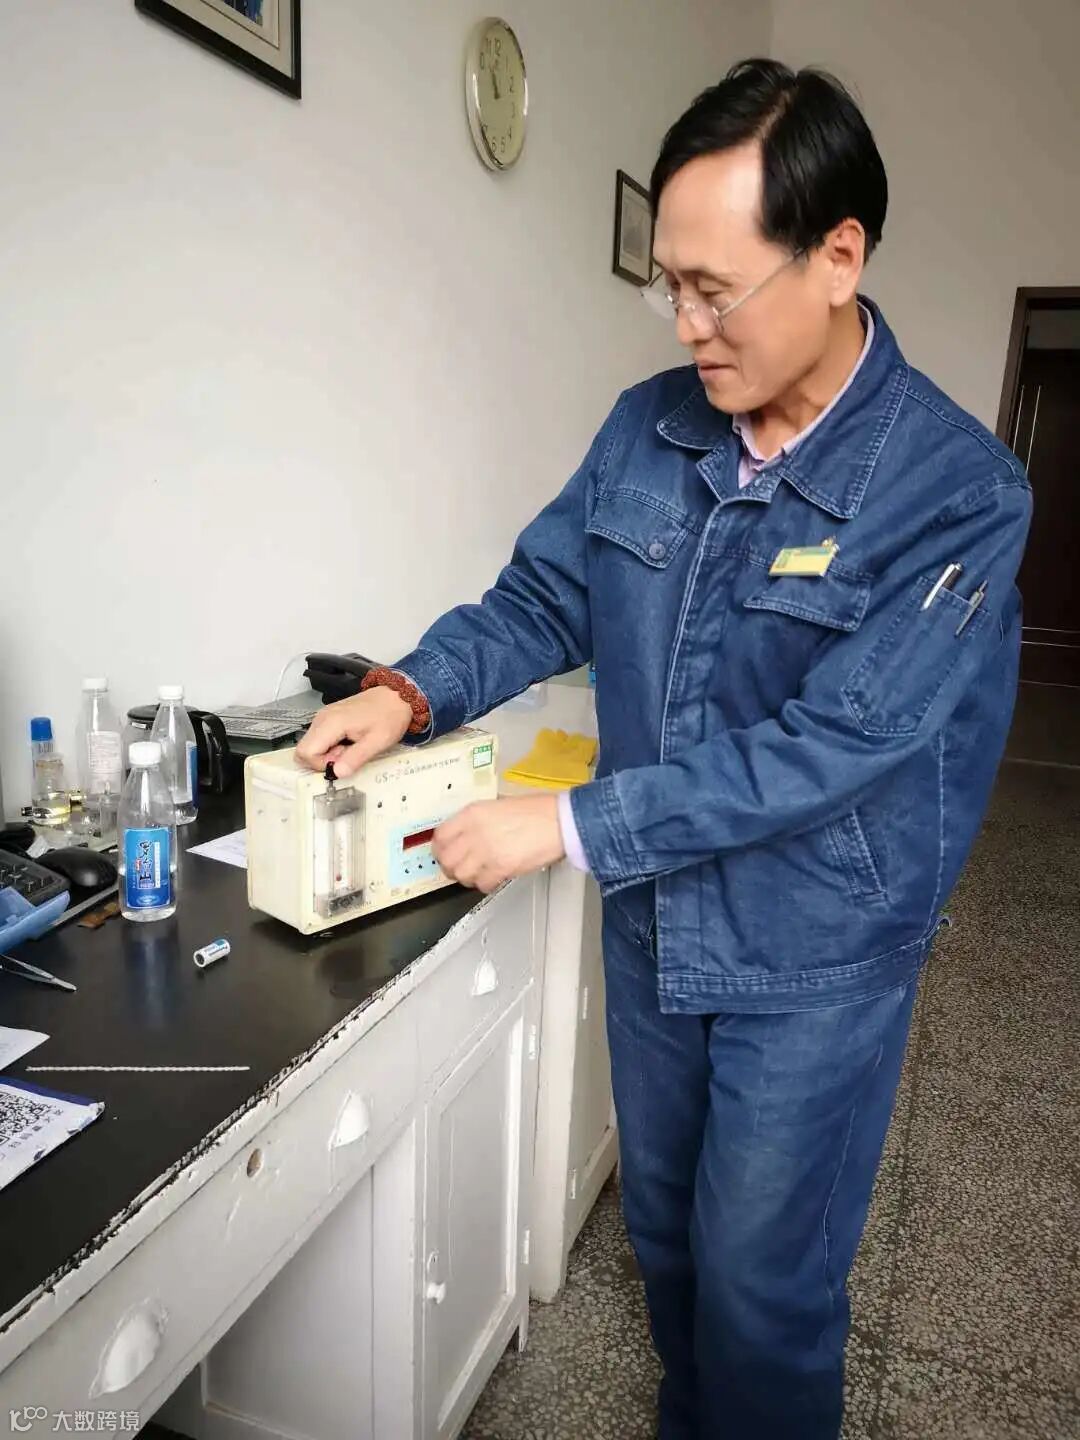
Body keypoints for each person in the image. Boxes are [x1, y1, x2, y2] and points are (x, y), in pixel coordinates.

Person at [298, 58, 1031, 1440]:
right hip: (655, 919)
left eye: (715, 290)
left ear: (838, 257)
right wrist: (409, 691)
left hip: (813, 947)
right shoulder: (649, 426)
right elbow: (543, 595)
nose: (688, 325)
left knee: (763, 1290)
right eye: (670, 288)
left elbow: (839, 741)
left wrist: (569, 823)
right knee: (671, 1243)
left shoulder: (958, 493)